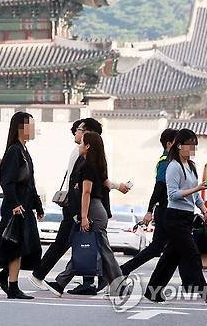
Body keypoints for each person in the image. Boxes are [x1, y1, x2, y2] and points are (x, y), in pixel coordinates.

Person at [33, 118, 131, 296]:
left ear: (87, 145)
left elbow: (86, 193)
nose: (78, 143)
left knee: (90, 247)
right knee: (94, 248)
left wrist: (83, 216)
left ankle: (63, 282)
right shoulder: (97, 162)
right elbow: (104, 183)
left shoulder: (86, 166)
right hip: (97, 210)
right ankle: (113, 284)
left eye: (82, 138)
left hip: (91, 210)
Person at [144, 129, 207, 304]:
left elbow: (196, 196)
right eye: (189, 145)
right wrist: (196, 188)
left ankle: (152, 291)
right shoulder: (173, 166)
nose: (192, 149)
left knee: (170, 257)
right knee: (192, 254)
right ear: (179, 146)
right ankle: (204, 290)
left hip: (186, 217)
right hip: (174, 217)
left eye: (194, 146)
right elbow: (173, 195)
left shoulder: (190, 166)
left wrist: (205, 211)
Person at [120, 128, 195, 287]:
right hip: (167, 211)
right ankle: (122, 271)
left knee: (172, 249)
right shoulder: (167, 162)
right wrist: (149, 210)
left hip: (171, 211)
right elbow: (159, 188)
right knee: (174, 248)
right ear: (170, 143)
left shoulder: (176, 161)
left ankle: (125, 271)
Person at [0, 111, 44, 299]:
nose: (34, 129)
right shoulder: (14, 151)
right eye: (31, 125)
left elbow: (30, 182)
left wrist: (38, 205)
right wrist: (15, 204)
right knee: (17, 247)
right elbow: (7, 181)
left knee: (28, 246)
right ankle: (12, 286)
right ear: (21, 127)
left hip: (25, 206)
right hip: (16, 207)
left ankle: (2, 277)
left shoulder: (24, 151)